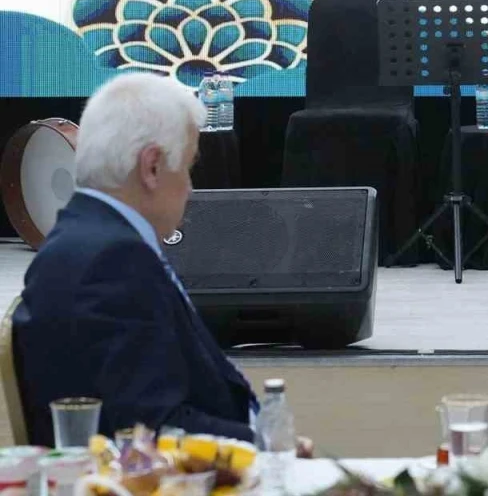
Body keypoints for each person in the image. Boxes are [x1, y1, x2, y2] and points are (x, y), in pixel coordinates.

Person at [15, 73, 298, 446]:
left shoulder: (86, 239)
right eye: (188, 168)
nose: (190, 188)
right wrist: (264, 446)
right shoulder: (113, 261)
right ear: (152, 167)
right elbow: (153, 428)